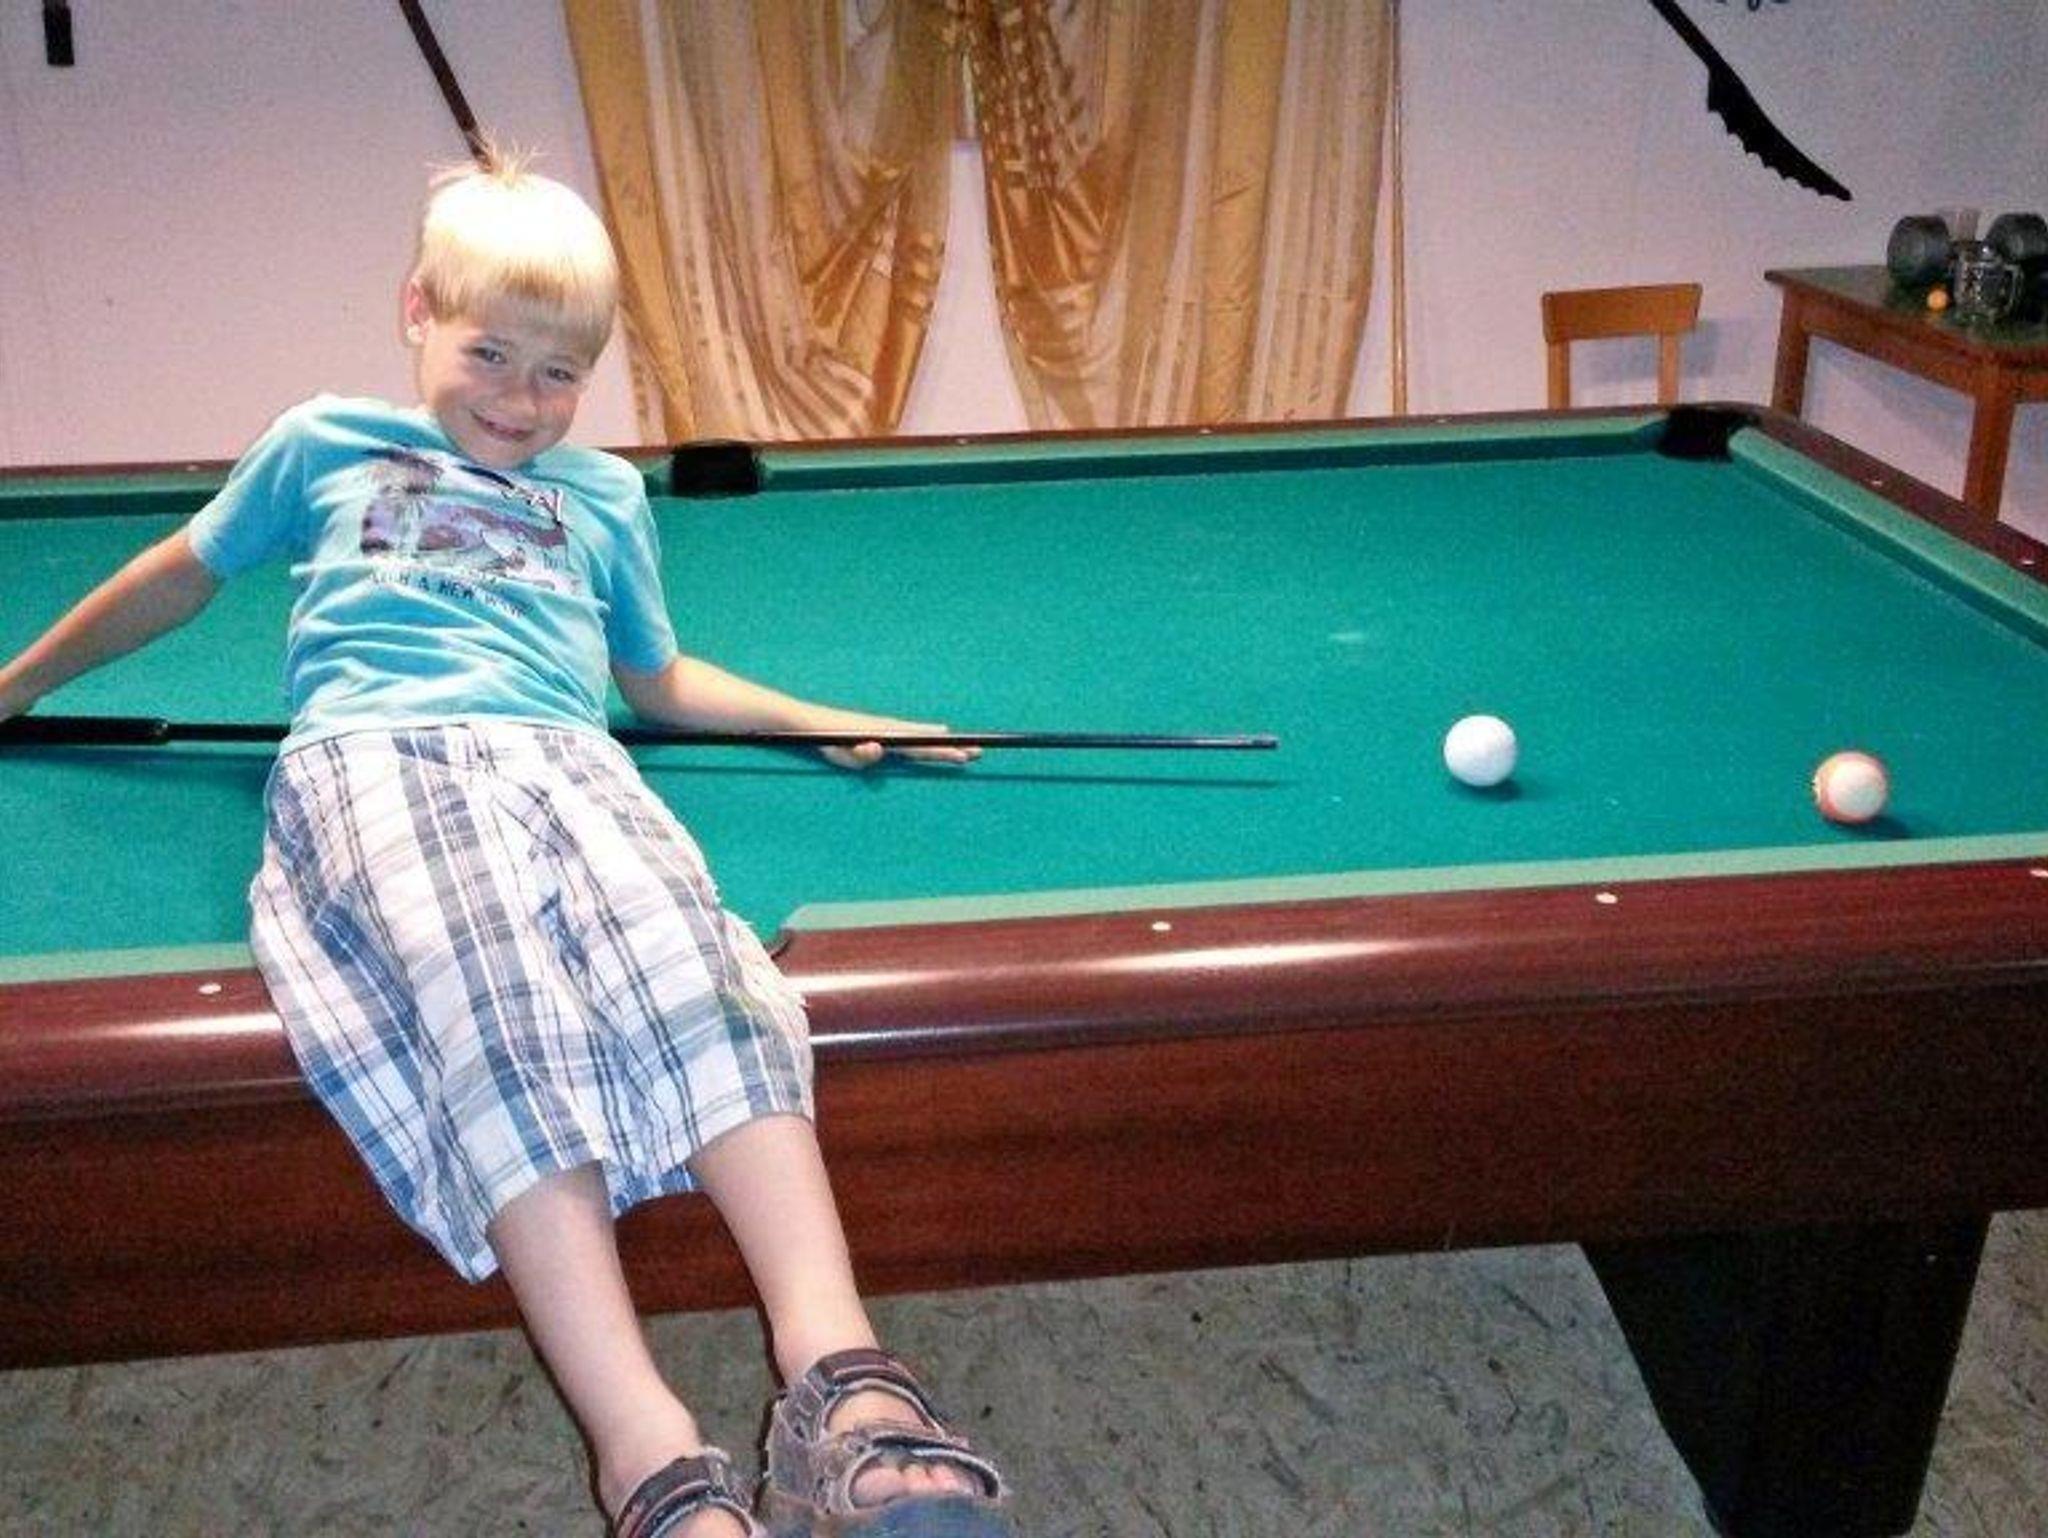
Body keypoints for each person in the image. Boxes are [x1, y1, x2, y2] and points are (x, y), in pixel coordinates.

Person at [0, 152, 1015, 1538]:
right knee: (500, 1017)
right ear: (417, 310)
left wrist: (820, 716)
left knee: (705, 981)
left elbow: (654, 680)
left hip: (569, 764)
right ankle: (642, 1447)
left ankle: (840, 1380)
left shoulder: (601, 497)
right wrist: (17, 684)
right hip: (383, 762)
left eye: (559, 374)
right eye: (490, 353)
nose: (520, 401)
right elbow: (173, 576)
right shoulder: (324, 442)